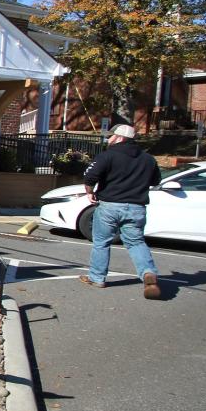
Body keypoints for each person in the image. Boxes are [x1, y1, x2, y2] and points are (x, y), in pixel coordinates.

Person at [78, 124, 162, 299]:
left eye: (111, 136)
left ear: (120, 138)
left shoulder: (108, 155)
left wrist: (89, 191)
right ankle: (148, 273)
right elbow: (155, 181)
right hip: (137, 207)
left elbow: (90, 176)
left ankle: (97, 278)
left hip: (110, 205)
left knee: (101, 242)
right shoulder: (148, 159)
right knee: (136, 242)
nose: (109, 139)